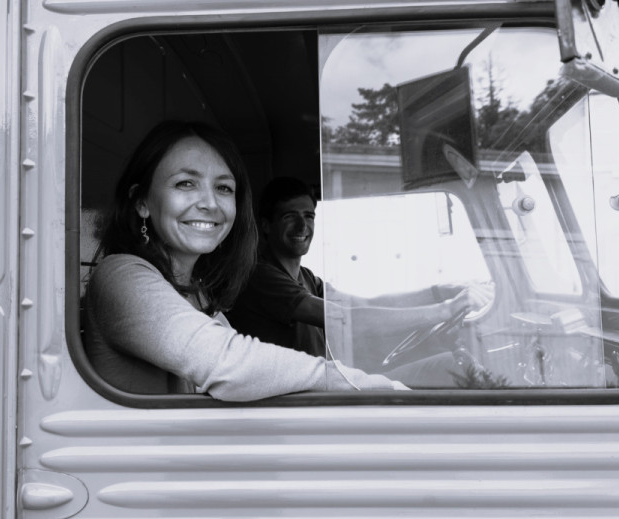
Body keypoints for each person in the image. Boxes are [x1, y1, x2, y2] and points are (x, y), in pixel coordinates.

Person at [83, 121, 409, 401]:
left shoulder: (198, 290)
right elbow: (228, 364)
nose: (210, 203)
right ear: (142, 202)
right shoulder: (121, 274)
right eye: (186, 183)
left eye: (224, 188)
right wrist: (365, 385)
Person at [227, 176, 481, 386]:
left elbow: (362, 303)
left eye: (309, 216)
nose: (302, 226)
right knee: (453, 367)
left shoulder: (306, 279)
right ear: (267, 225)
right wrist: (443, 310)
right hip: (299, 400)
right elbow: (345, 319)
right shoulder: (260, 276)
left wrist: (436, 293)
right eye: (289, 217)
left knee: (453, 362)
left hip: (321, 386)